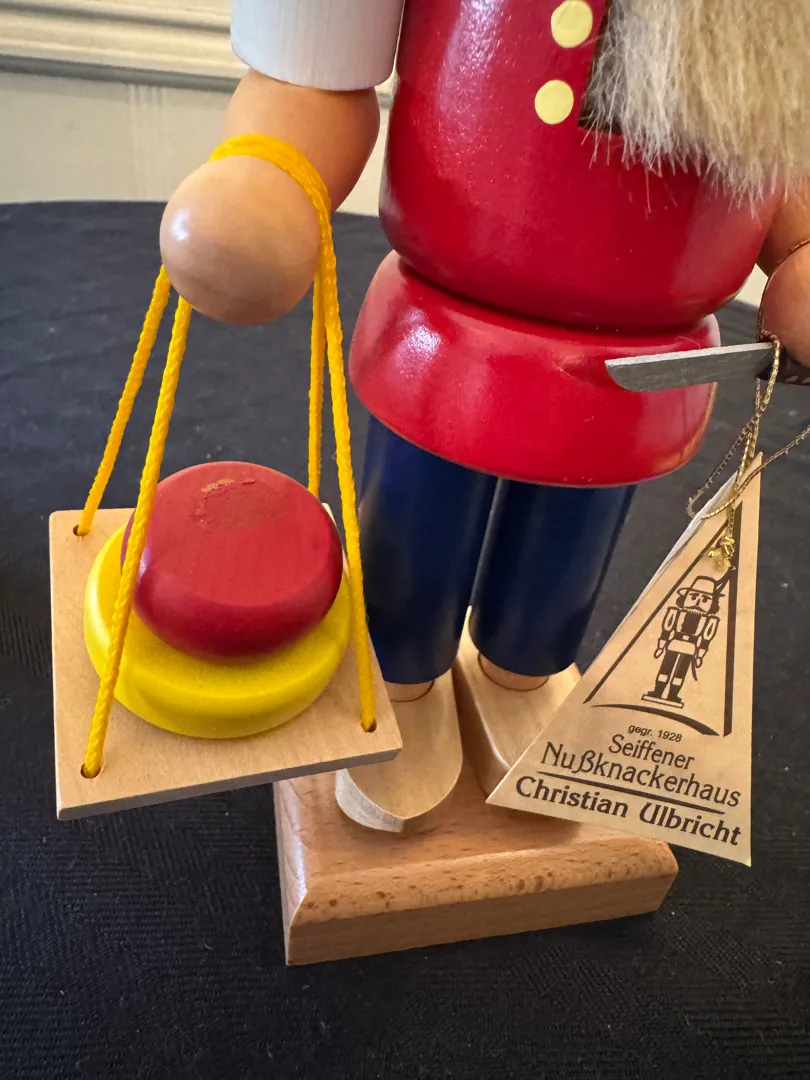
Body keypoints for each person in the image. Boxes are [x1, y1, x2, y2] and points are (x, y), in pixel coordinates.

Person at [160, 0, 810, 832]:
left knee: (567, 549)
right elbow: (318, 69)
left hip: (646, 360)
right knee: (416, 536)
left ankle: (523, 675)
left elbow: (782, 141)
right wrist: (271, 170)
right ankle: (400, 678)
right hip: (445, 327)